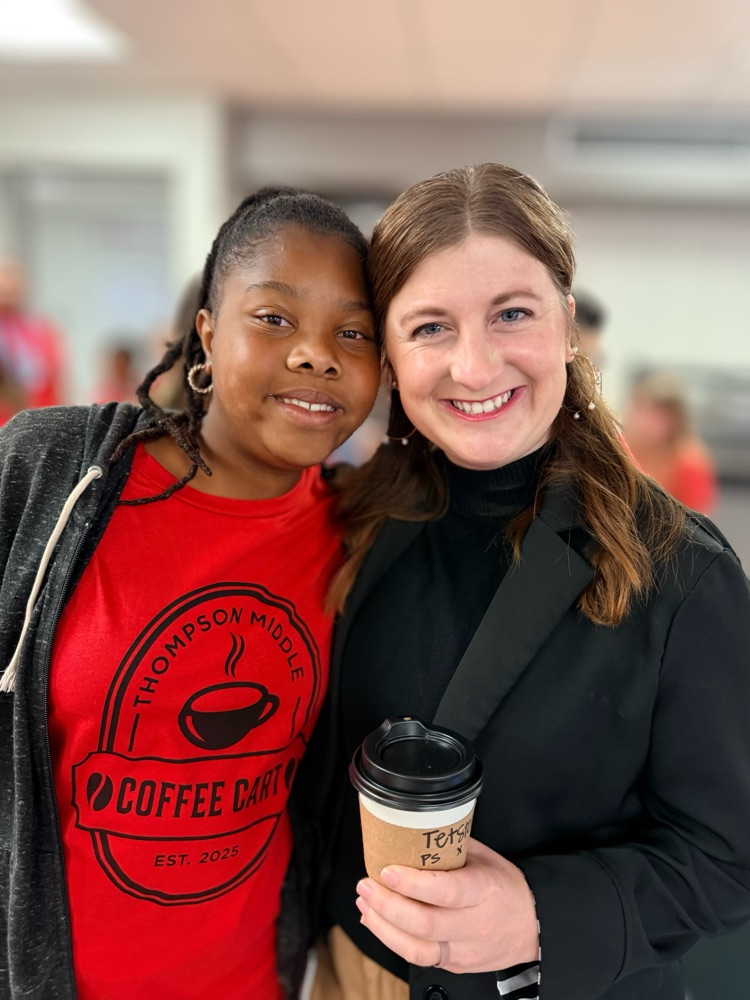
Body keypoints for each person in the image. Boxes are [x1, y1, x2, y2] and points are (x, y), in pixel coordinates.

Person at [309, 164, 750, 1000]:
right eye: (431, 327)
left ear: (568, 326)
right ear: (390, 357)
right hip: (349, 973)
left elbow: (728, 860)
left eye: (512, 314)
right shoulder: (349, 522)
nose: (475, 368)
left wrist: (538, 913)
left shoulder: (683, 572)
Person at [0, 187, 381, 1000]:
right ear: (206, 334)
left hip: (252, 982)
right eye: (274, 318)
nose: (317, 354)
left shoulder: (358, 531)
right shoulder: (53, 474)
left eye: (353, 333)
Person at [623, 369, 718, 516]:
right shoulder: (621, 448)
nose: (650, 422)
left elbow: (696, 522)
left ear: (677, 419)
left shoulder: (689, 462)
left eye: (662, 416)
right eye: (647, 411)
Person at [0, 255, 66, 407]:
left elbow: (55, 384)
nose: (9, 285)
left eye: (14, 276)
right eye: (5, 276)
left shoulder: (42, 331)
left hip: (34, 417)